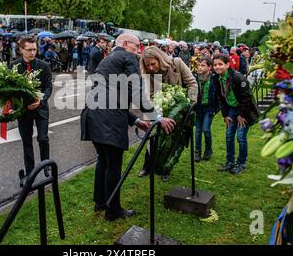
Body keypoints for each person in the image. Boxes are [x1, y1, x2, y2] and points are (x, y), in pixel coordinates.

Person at [81, 34, 176, 221]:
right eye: (137, 46)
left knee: (103, 161)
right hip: (109, 120)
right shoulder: (127, 57)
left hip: (93, 115)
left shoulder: (107, 59)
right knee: (113, 166)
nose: (139, 50)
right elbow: (135, 92)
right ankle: (113, 211)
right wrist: (157, 117)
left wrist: (135, 121)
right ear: (125, 44)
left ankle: (100, 203)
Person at [137, 46, 198, 181]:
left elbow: (192, 83)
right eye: (148, 65)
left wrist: (190, 104)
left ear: (160, 59)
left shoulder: (177, 63)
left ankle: (166, 169)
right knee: (153, 138)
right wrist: (158, 113)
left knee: (173, 140)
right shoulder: (148, 73)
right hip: (159, 109)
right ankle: (147, 166)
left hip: (180, 109)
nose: (151, 68)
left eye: (153, 64)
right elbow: (150, 94)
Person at [10, 38, 52, 186]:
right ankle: (30, 172)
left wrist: (40, 100)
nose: (33, 52)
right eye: (29, 50)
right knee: (26, 141)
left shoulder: (44, 65)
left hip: (40, 109)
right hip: (23, 111)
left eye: (35, 49)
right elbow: (10, 89)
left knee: (43, 138)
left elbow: (48, 87)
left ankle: (46, 164)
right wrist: (14, 106)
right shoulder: (13, 66)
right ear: (21, 50)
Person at [212, 53, 260, 175]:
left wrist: (241, 115)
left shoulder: (238, 77)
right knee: (229, 135)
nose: (217, 67)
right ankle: (230, 162)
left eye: (220, 64)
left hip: (244, 110)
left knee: (241, 137)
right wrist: (225, 115)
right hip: (231, 110)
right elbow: (221, 98)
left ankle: (241, 163)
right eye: (215, 65)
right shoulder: (216, 79)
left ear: (227, 65)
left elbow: (247, 97)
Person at [194, 56, 219, 162]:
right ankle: (197, 152)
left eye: (203, 65)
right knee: (198, 130)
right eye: (199, 65)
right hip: (198, 108)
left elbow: (218, 96)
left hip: (209, 108)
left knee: (206, 129)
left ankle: (208, 150)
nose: (200, 67)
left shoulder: (214, 79)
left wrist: (215, 109)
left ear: (210, 67)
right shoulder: (194, 78)